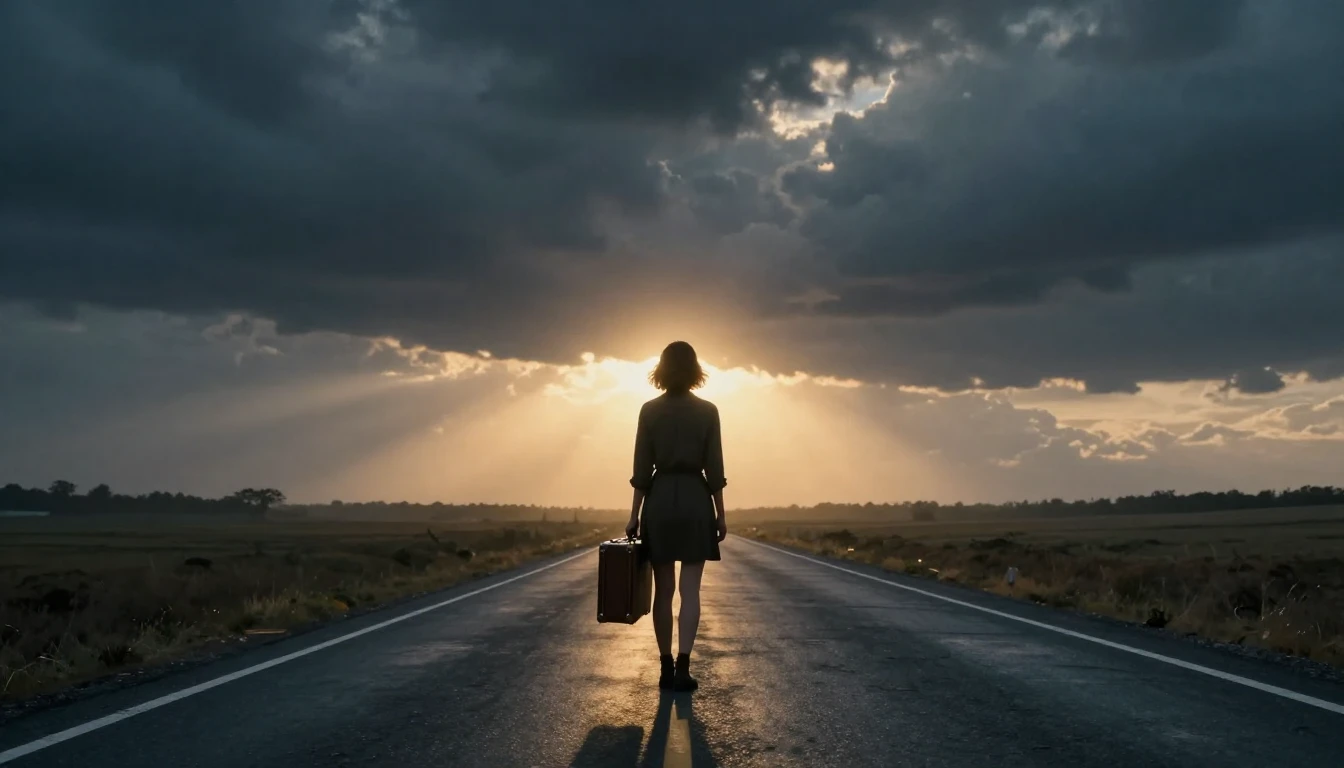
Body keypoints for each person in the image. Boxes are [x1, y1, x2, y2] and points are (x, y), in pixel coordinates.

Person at [625, 341, 728, 693]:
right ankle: (684, 666)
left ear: (662, 369)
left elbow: (641, 469)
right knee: (691, 591)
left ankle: (665, 668)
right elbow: (715, 469)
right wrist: (721, 514)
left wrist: (633, 515)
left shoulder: (649, 411)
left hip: (660, 501)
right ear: (696, 369)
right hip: (697, 501)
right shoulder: (708, 411)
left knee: (663, 592)